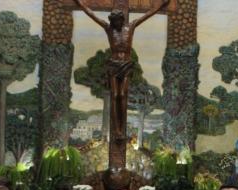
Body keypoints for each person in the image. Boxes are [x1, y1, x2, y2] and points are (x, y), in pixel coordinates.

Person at [72, 0, 170, 141]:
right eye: (114, 21)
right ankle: (117, 129)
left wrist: (160, 5)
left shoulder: (131, 27)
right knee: (115, 95)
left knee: (123, 94)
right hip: (113, 65)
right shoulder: (108, 29)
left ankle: (120, 128)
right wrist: (80, 3)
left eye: (118, 20)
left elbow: (147, 15)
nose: (116, 23)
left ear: (122, 19)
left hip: (126, 65)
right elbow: (92, 14)